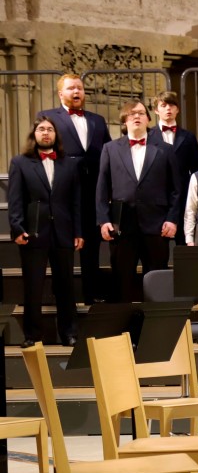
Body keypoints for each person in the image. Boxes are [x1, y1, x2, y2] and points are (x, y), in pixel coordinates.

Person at [95, 99, 181, 303]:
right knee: (122, 282)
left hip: (157, 225)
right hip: (122, 226)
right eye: (131, 113)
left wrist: (172, 219)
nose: (136, 116)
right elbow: (102, 187)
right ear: (124, 120)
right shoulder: (110, 148)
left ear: (148, 119)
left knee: (157, 282)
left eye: (141, 113)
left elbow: (176, 189)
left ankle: (157, 330)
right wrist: (104, 220)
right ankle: (126, 331)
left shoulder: (165, 149)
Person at [7, 117, 81, 347]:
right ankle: (32, 335)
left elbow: (75, 201)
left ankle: (69, 333)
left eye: (50, 129)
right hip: (33, 232)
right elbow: (15, 199)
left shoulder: (69, 164)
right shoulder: (20, 162)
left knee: (66, 286)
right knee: (33, 286)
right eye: (41, 129)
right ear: (34, 134)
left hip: (63, 232)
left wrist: (78, 231)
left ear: (56, 135)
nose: (46, 133)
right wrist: (17, 228)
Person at [39, 73, 111, 304]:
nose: (77, 91)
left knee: (91, 243)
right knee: (63, 245)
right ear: (61, 93)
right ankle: (62, 296)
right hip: (62, 189)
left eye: (80, 87)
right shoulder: (47, 116)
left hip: (92, 189)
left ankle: (92, 293)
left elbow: (108, 152)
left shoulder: (97, 120)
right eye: (71, 88)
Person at [148, 90, 198, 192]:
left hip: (183, 191)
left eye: (172, 105)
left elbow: (196, 169)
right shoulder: (149, 136)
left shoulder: (189, 137)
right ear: (156, 110)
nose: (168, 108)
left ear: (177, 109)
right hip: (156, 192)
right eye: (163, 105)